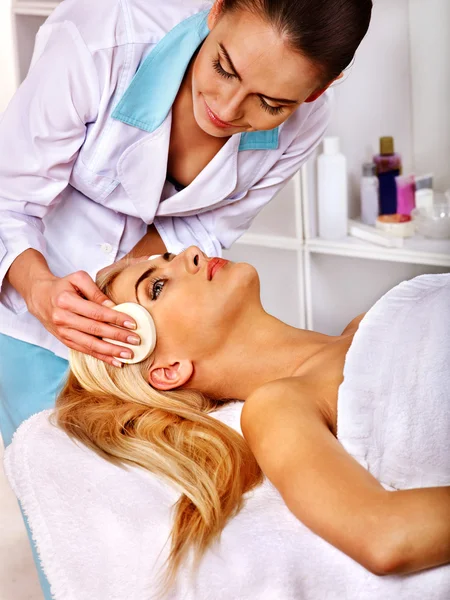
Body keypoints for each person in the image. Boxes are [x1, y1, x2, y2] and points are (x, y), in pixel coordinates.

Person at [0, 0, 372, 594]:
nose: (226, 110)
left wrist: (144, 282)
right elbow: (7, 199)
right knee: (83, 524)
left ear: (322, 87)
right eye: (224, 66)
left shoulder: (308, 124)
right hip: (30, 303)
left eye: (270, 104)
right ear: (217, 10)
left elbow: (203, 234)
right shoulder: (100, 40)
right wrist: (41, 288)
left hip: (166, 343)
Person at [54, 248, 450, 593]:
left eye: (170, 258)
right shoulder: (279, 406)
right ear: (168, 369)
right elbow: (385, 535)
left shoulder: (370, 321)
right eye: (156, 287)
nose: (193, 251)